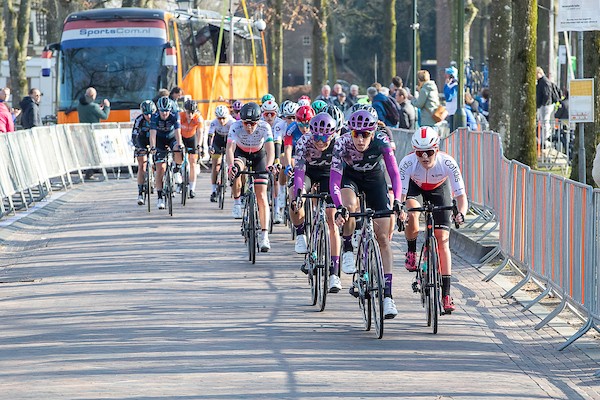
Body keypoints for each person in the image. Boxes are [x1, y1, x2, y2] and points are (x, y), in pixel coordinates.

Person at [330, 109, 403, 319]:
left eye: (365, 135)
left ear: (373, 133)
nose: (360, 139)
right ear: (350, 132)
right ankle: (348, 248)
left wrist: (397, 201)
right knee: (350, 206)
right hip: (350, 179)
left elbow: (394, 173)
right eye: (356, 134)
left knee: (383, 239)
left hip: (374, 180)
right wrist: (339, 206)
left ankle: (388, 296)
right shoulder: (342, 143)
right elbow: (335, 179)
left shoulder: (382, 141)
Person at [398, 126, 468, 313]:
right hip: (415, 187)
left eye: (429, 152)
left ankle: (446, 294)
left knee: (442, 240)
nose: (425, 157)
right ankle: (411, 252)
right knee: (413, 212)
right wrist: (399, 210)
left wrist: (461, 213)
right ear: (415, 152)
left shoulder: (448, 163)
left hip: (439, 189)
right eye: (420, 153)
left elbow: (461, 197)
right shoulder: (408, 162)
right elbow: (400, 195)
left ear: (436, 149)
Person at [291, 112, 342, 293]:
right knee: (295, 195)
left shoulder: (338, 144)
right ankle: (301, 232)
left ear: (332, 134)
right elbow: (298, 172)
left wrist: (338, 203)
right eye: (317, 136)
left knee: (331, 218)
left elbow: (338, 179)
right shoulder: (304, 142)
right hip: (309, 173)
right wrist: (299, 194)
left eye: (325, 137)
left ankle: (334, 273)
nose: (320, 141)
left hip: (330, 175)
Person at [227, 102, 275, 252]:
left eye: (252, 123)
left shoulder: (264, 127)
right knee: (236, 169)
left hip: (258, 155)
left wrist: (269, 165)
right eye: (246, 123)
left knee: (261, 195)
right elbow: (230, 148)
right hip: (241, 154)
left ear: (258, 121)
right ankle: (237, 202)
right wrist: (230, 167)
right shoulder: (235, 126)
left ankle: (264, 236)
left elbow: (270, 148)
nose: (248, 127)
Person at [149, 96, 184, 210]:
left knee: (178, 149)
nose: (164, 113)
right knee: (160, 169)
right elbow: (153, 134)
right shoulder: (154, 117)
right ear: (158, 110)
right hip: (159, 140)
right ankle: (160, 198)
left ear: (170, 110)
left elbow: (178, 132)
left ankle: (177, 170)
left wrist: (180, 144)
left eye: (166, 111)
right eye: (162, 111)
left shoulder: (175, 115)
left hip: (171, 137)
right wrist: (153, 147)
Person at [77, 87, 111, 180]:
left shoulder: (80, 105)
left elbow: (91, 110)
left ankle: (89, 171)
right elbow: (104, 116)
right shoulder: (93, 106)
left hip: (84, 131)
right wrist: (107, 107)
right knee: (94, 152)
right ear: (93, 96)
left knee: (88, 152)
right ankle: (90, 173)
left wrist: (98, 108)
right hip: (93, 132)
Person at [208, 105, 236, 202]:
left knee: (232, 162)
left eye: (223, 118)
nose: (222, 121)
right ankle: (214, 190)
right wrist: (210, 147)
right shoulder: (214, 122)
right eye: (219, 118)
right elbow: (210, 135)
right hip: (218, 141)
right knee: (215, 166)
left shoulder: (233, 122)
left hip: (229, 141)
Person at [132, 100, 156, 205]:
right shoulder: (139, 120)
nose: (149, 116)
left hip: (155, 139)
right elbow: (134, 135)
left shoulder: (157, 118)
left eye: (151, 113)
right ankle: (140, 193)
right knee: (142, 165)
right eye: (146, 114)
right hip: (142, 140)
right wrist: (138, 147)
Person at [179, 99, 204, 198]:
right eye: (188, 112)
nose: (190, 114)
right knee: (178, 157)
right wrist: (179, 143)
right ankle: (178, 176)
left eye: (192, 112)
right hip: (181, 137)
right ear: (185, 111)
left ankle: (192, 189)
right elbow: (176, 130)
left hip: (192, 138)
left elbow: (200, 132)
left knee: (193, 162)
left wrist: (199, 145)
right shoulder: (180, 116)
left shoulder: (198, 118)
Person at [536, 67, 559, 146]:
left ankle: (545, 139)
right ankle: (544, 139)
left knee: (545, 121)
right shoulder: (542, 81)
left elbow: (546, 94)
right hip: (544, 104)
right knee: (543, 121)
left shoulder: (544, 82)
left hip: (545, 105)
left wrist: (543, 104)